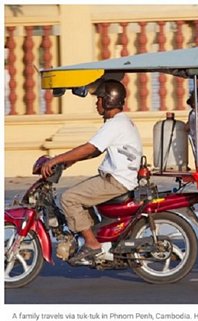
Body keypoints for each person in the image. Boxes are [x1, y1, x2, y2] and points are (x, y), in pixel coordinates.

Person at [41, 79, 143, 262]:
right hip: (118, 178)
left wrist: (57, 159)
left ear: (108, 100)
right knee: (80, 196)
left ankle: (92, 244)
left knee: (69, 198)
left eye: (99, 99)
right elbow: (96, 150)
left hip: (116, 181)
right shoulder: (120, 121)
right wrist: (68, 162)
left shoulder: (114, 124)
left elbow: (89, 148)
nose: (97, 103)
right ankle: (97, 238)